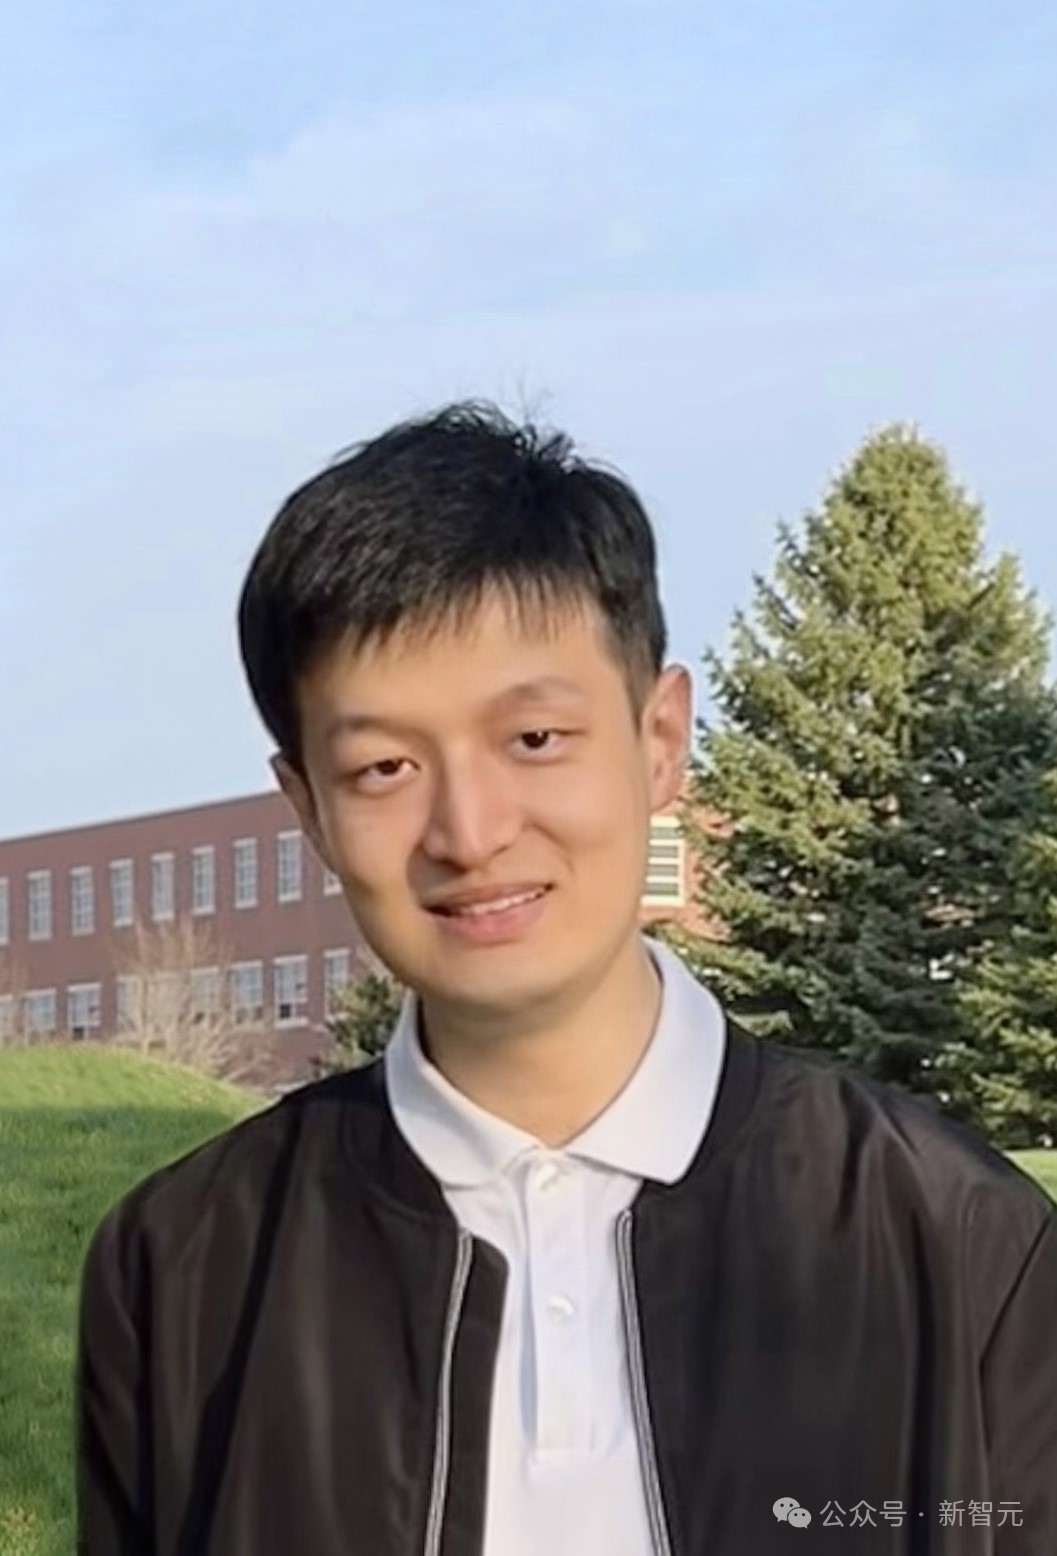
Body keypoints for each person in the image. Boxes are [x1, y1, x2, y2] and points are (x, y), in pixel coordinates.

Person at [75, 403, 1057, 1555]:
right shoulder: (183, 1266)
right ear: (309, 809)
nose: (471, 830)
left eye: (533, 739)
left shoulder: (958, 1239)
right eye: (384, 765)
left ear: (659, 739)